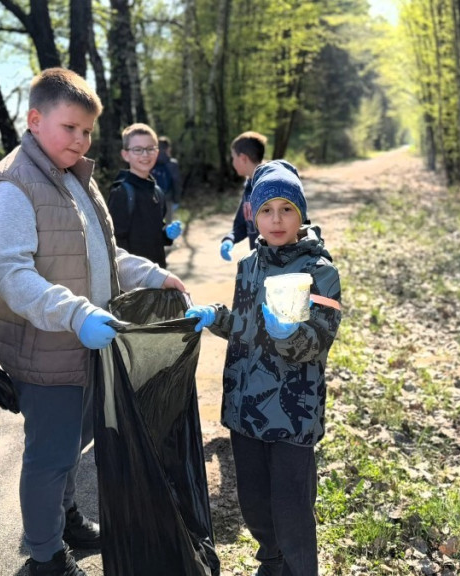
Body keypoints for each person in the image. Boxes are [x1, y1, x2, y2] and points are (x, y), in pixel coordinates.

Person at [0, 68, 187, 576]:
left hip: (87, 343)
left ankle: (66, 520)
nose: (80, 139)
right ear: (34, 120)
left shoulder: (74, 178)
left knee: (72, 446)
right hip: (46, 349)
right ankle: (45, 557)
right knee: (49, 457)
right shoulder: (12, 186)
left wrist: (153, 274)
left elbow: (104, 254)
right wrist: (76, 313)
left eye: (88, 131)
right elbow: (11, 274)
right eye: (69, 127)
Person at [185, 160, 342, 576]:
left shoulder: (320, 273)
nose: (276, 219)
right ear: (252, 215)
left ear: (301, 215)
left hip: (293, 413)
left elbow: (319, 341)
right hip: (245, 408)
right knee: (254, 502)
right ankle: (271, 561)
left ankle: (298, 568)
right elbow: (244, 328)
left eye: (286, 209)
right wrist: (216, 316)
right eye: (266, 209)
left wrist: (291, 333)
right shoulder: (248, 267)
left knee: (292, 508)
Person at [108, 123, 183, 268]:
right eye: (137, 150)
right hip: (133, 281)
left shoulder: (157, 191)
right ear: (125, 154)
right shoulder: (121, 192)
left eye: (150, 149)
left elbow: (154, 234)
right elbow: (114, 244)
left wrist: (167, 234)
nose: (145, 155)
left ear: (157, 152)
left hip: (158, 275)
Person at [219, 131, 268, 262]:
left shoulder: (271, 187)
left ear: (243, 158)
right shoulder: (249, 187)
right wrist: (230, 239)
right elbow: (241, 224)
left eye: (233, 157)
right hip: (259, 264)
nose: (232, 162)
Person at [152, 135, 183, 219]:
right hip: (167, 199)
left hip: (152, 200)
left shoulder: (150, 162)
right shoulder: (172, 164)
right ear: (168, 148)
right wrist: (176, 200)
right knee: (168, 226)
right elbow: (176, 183)